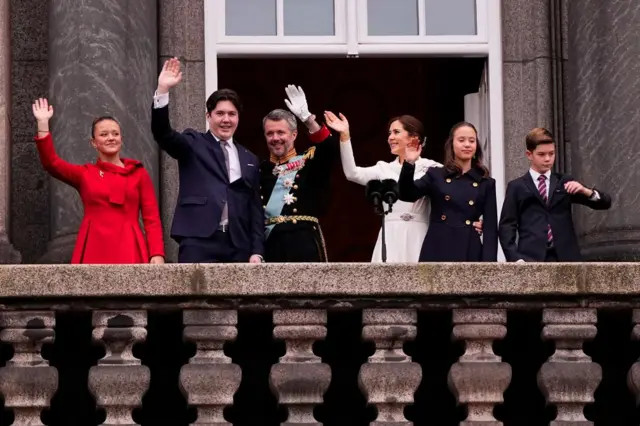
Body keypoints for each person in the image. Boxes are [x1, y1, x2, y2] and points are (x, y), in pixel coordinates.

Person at [151, 57, 263, 263]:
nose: (226, 119)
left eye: (232, 114)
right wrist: (163, 90)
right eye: (220, 113)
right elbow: (163, 134)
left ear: (238, 118)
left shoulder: (249, 158)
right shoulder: (193, 143)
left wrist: (257, 250)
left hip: (238, 244)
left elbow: (254, 208)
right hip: (198, 240)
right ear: (208, 116)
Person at [32, 98, 165, 264]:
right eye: (104, 134)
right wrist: (43, 124)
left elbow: (151, 218)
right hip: (94, 246)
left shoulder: (138, 173)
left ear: (121, 139)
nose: (111, 138)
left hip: (130, 246)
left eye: (115, 134)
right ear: (94, 143)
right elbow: (52, 163)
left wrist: (157, 253)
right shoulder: (86, 174)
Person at [324, 111, 446, 262]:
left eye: (396, 132)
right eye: (389, 133)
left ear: (414, 138)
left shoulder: (432, 168)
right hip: (390, 235)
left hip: (420, 234)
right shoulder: (384, 168)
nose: (390, 138)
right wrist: (345, 135)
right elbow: (352, 173)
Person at [499, 127, 612, 262]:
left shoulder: (564, 182)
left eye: (551, 153)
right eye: (541, 154)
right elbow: (507, 226)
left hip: (566, 257)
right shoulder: (516, 187)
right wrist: (515, 258)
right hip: (530, 258)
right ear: (529, 154)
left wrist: (585, 191)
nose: (548, 159)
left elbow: (605, 203)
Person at [259, 85, 339, 262]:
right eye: (270, 133)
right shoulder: (259, 169)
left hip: (304, 244)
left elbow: (329, 148)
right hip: (270, 246)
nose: (275, 138)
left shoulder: (309, 162)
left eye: (281, 132)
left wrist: (308, 119)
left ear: (294, 134)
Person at [398, 121, 498, 262]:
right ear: (451, 144)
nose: (467, 145)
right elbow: (407, 194)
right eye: (461, 140)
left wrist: (489, 267)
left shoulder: (486, 182)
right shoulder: (436, 175)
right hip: (438, 246)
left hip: (470, 249)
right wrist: (409, 164)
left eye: (472, 140)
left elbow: (490, 230)